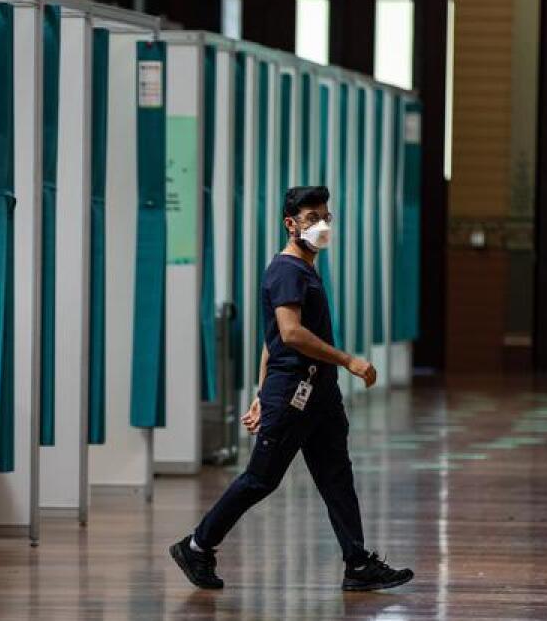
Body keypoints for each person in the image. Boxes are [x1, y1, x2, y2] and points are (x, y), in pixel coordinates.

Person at [169, 185, 414, 592]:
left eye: (325, 218)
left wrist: (260, 392)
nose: (321, 225)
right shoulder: (286, 270)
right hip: (297, 391)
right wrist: (348, 360)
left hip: (319, 395)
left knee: (337, 475)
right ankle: (197, 545)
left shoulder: (307, 269)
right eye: (312, 218)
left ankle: (357, 562)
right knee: (260, 479)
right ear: (290, 224)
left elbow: (271, 343)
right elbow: (290, 334)